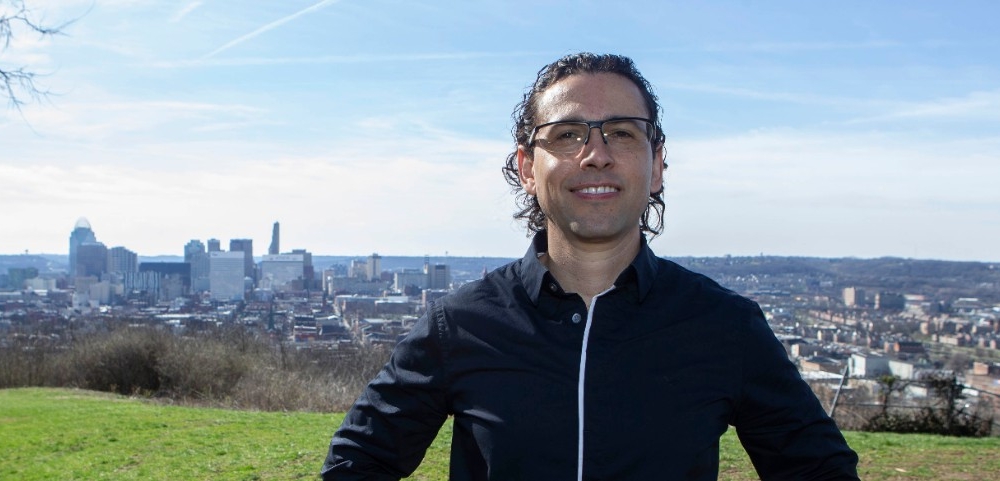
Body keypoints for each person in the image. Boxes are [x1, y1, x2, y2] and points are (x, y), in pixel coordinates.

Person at [321, 52, 860, 480]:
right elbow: (356, 463)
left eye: (622, 133)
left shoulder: (724, 326)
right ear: (528, 168)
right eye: (567, 134)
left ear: (657, 167)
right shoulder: (460, 325)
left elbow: (818, 468)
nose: (595, 154)